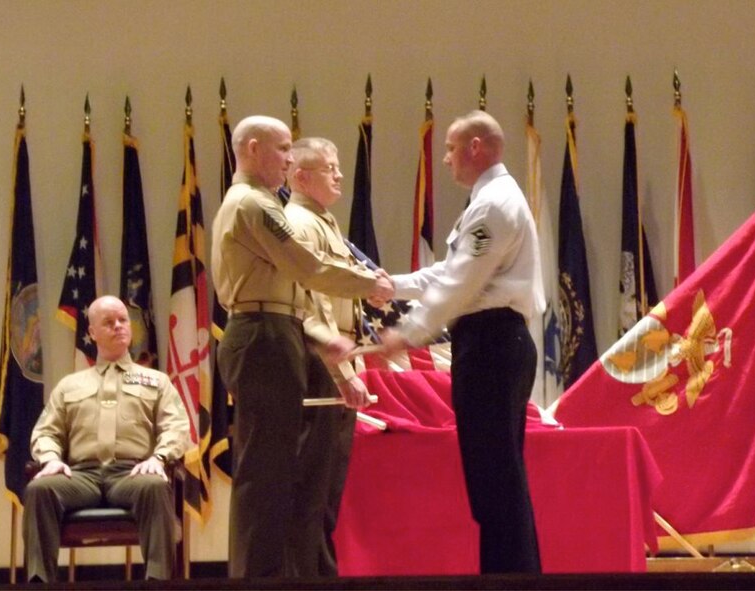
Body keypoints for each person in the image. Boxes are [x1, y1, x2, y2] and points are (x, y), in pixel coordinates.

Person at [211, 115, 393, 579]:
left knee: (273, 475)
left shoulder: (258, 202)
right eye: (282, 148)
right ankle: (258, 579)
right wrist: (367, 282)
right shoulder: (256, 204)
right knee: (266, 474)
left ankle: (266, 577)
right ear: (252, 149)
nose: (289, 159)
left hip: (272, 332)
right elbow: (308, 267)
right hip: (262, 333)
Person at [380, 110, 545, 574]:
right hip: (495, 341)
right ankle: (512, 576)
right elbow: (452, 271)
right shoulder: (490, 200)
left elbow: (460, 284)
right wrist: (393, 285)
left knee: (495, 482)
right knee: (497, 480)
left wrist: (407, 334)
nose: (447, 160)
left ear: (476, 147)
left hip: (491, 344)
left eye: (451, 149)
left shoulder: (493, 205)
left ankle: (510, 579)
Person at [23, 295, 189, 582]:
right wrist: (50, 459)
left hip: (131, 474)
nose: (119, 327)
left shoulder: (156, 381)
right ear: (92, 333)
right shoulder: (70, 385)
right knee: (40, 489)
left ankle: (158, 581)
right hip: (81, 476)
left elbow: (176, 426)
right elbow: (46, 431)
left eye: (123, 320)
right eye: (109, 322)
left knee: (155, 485)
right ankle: (39, 582)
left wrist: (159, 457)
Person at [284, 137, 371, 576]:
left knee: (327, 493)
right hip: (321, 366)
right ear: (300, 177)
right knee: (311, 492)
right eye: (329, 168)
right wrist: (341, 374)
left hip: (338, 362)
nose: (339, 175)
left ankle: (319, 574)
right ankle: (310, 578)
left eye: (339, 167)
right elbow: (311, 309)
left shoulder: (324, 221)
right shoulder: (299, 224)